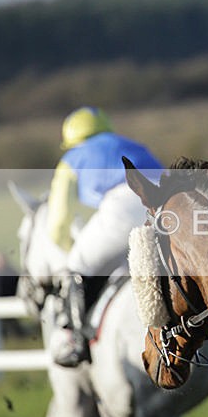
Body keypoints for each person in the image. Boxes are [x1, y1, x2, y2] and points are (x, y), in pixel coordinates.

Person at [48, 106, 163, 367]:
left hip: (122, 207)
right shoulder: (134, 145)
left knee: (76, 265)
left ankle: (74, 341)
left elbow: (58, 220)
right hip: (163, 206)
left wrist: (69, 247)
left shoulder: (72, 159)